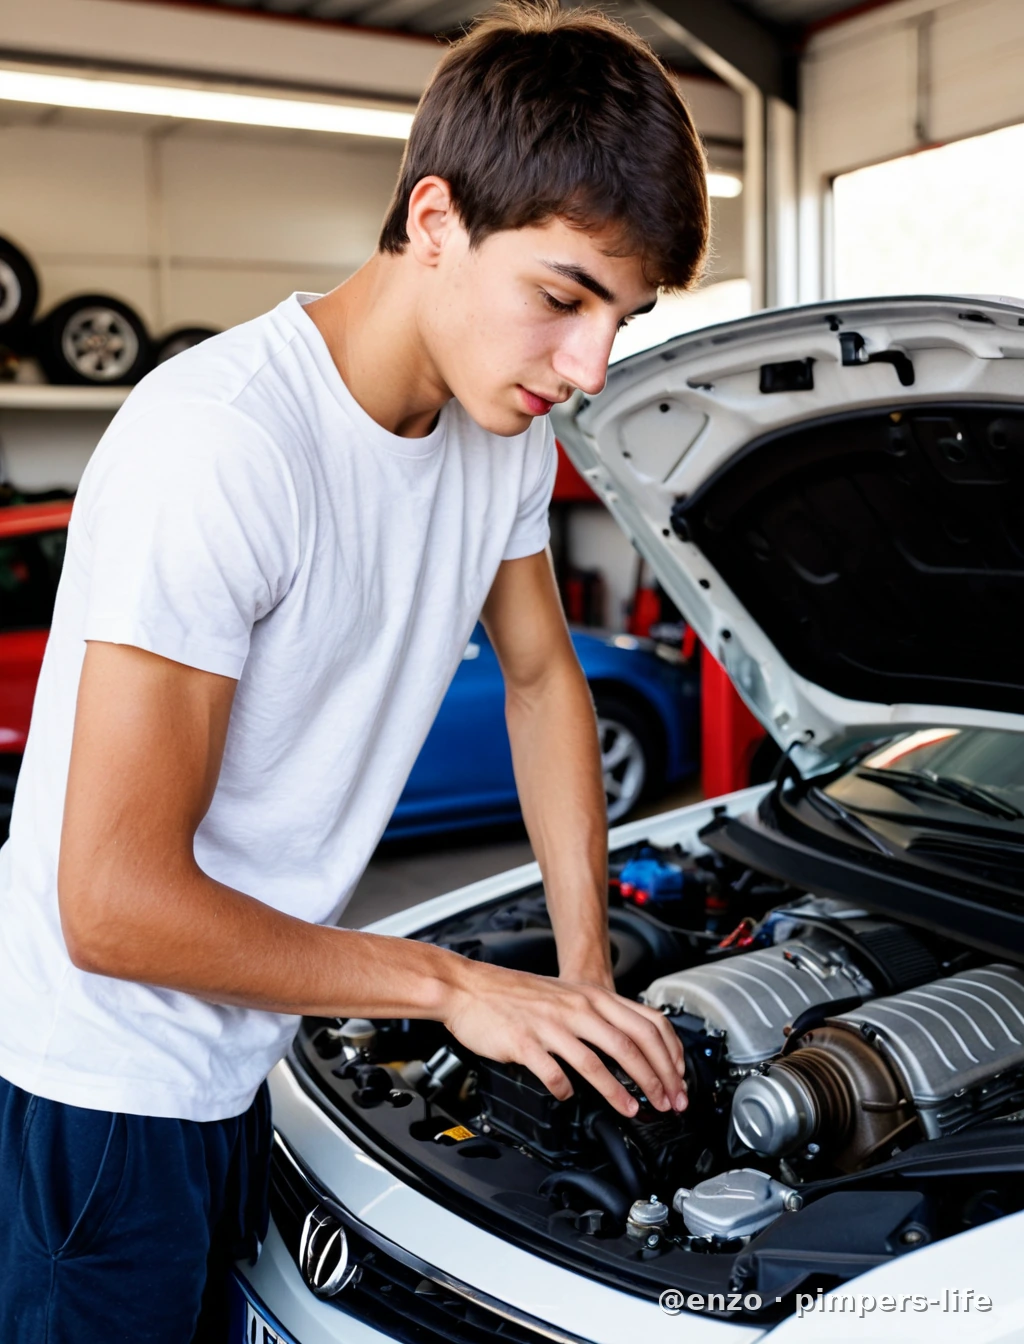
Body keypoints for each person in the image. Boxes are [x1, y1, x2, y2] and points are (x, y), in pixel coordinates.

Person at [0, 2, 709, 1337]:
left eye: (623, 315)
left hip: (243, 1052)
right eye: (562, 297)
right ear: (433, 220)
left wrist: (579, 974)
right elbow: (109, 901)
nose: (591, 364)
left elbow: (547, 681)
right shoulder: (222, 444)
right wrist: (457, 986)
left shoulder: (497, 433)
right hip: (98, 1099)